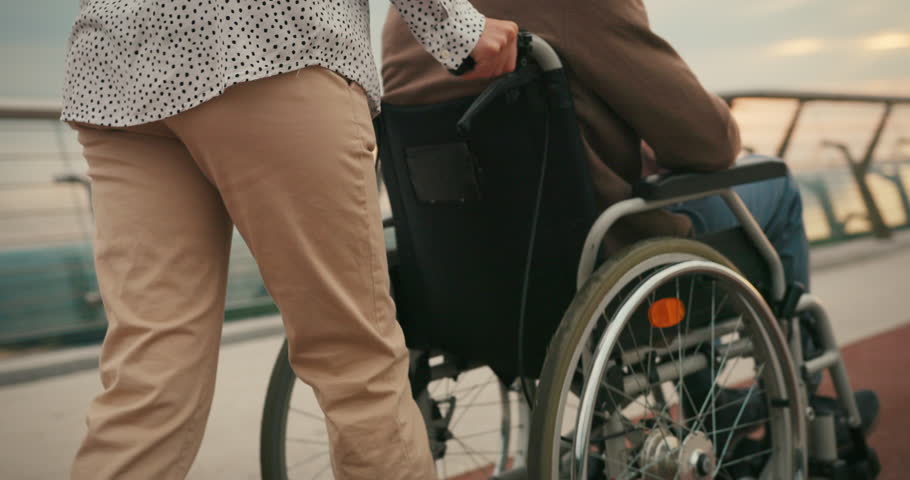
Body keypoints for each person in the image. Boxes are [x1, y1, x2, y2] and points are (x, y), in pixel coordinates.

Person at [382, 0, 878, 454]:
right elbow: (708, 142)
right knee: (776, 187)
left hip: (463, 288)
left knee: (670, 217)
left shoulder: (408, 18)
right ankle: (801, 400)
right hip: (594, 265)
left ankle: (710, 397)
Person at [62, 1, 518, 479]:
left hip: (120, 66)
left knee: (147, 378)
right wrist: (455, 27)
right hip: (270, 41)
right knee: (353, 363)